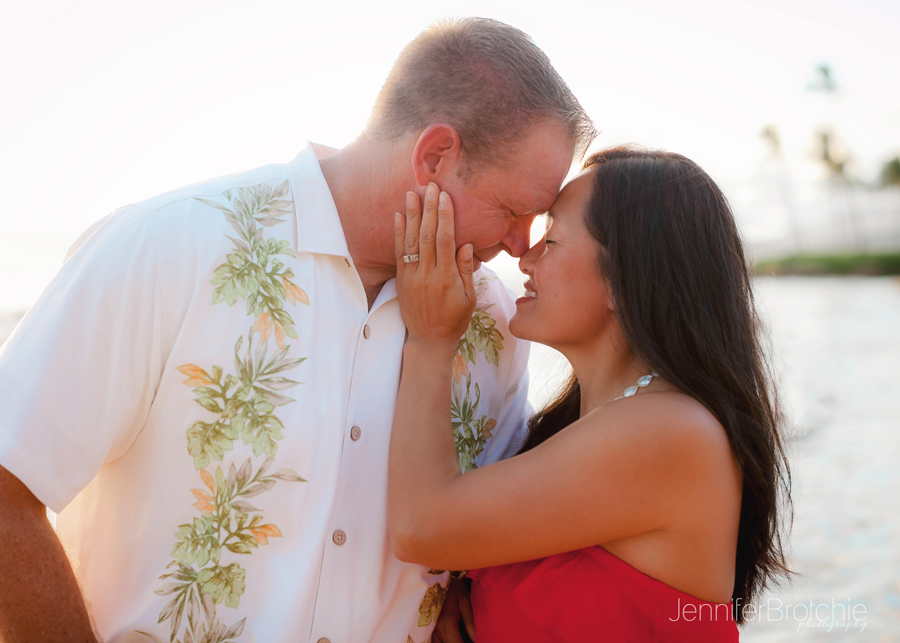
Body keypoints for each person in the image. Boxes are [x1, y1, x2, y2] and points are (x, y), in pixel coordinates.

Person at [0, 18, 595, 643]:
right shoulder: (166, 249)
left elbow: (478, 557)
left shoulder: (497, 323)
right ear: (435, 156)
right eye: (512, 210)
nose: (519, 245)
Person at [389, 147, 793, 641]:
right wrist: (463, 579)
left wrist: (430, 339)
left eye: (552, 237)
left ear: (624, 280)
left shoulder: (668, 432)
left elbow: (421, 529)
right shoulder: (599, 426)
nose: (526, 257)